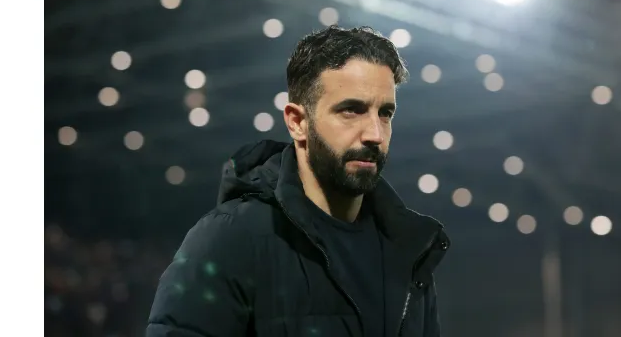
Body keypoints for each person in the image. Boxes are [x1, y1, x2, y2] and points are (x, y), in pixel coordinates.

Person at [146, 26, 450, 337]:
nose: (375, 133)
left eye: (385, 113)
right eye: (351, 110)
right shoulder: (229, 240)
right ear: (297, 122)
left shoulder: (410, 250)